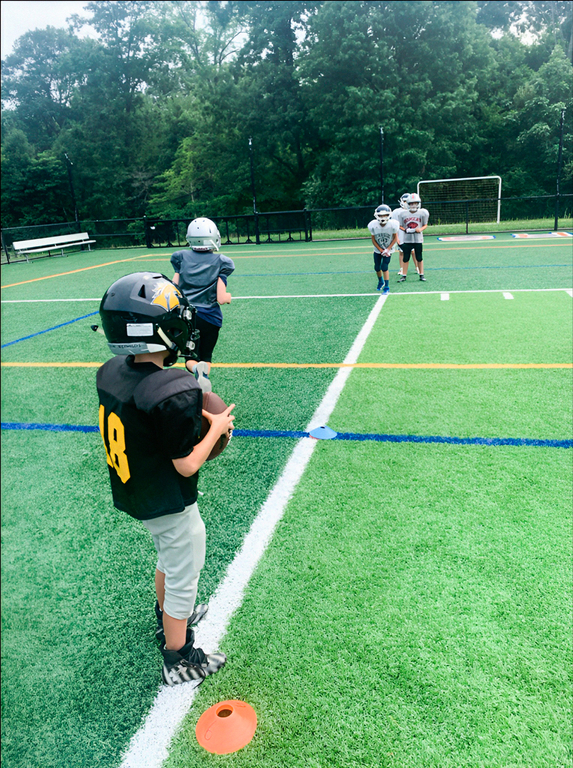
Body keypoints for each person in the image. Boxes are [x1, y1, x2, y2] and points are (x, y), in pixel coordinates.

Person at [95, 271, 235, 687]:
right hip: (165, 496)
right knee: (183, 572)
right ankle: (178, 657)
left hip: (137, 487)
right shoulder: (170, 388)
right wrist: (216, 428)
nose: (180, 328)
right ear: (150, 331)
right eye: (173, 322)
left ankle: (168, 616)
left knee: (170, 559)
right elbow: (186, 465)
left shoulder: (112, 371)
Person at [171, 218, 235, 393]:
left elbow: (173, 288)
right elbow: (221, 298)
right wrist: (229, 297)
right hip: (210, 318)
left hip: (187, 317)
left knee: (191, 357)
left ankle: (195, 369)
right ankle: (204, 378)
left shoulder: (180, 257)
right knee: (206, 356)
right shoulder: (222, 261)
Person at [367, 204, 399, 295]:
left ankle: (387, 287)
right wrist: (380, 249)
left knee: (384, 267)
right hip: (378, 249)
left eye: (385, 215)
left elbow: (395, 238)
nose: (383, 217)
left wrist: (388, 249)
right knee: (377, 267)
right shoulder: (373, 225)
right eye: (381, 215)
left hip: (389, 249)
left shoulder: (393, 225)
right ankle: (380, 281)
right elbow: (373, 239)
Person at [397, 193, 429, 282]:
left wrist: (420, 229)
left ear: (418, 203)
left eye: (415, 203)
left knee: (419, 257)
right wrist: (405, 230)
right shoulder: (403, 214)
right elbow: (400, 226)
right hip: (407, 239)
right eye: (411, 203)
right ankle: (404, 275)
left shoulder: (422, 213)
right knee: (406, 258)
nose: (413, 205)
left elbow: (425, 224)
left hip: (418, 239)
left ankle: (421, 274)